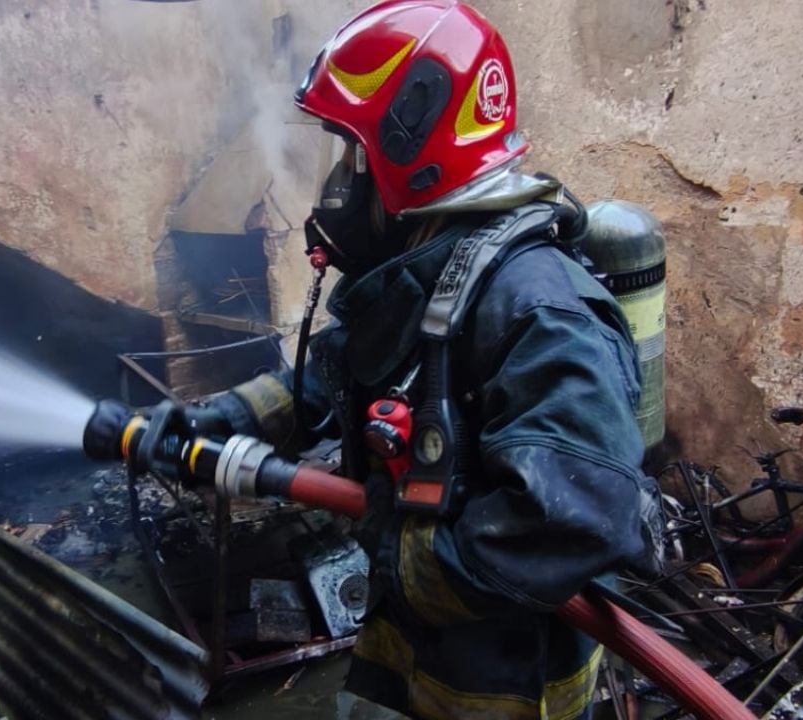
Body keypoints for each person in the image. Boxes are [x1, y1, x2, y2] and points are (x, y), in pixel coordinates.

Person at [160, 2, 663, 718]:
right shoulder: (431, 270)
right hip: (411, 653)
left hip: (502, 689)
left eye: (350, 154)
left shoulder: (538, 311)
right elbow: (339, 371)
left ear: (411, 143)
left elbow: (571, 518)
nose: (339, 183)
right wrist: (222, 418)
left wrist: (394, 552)